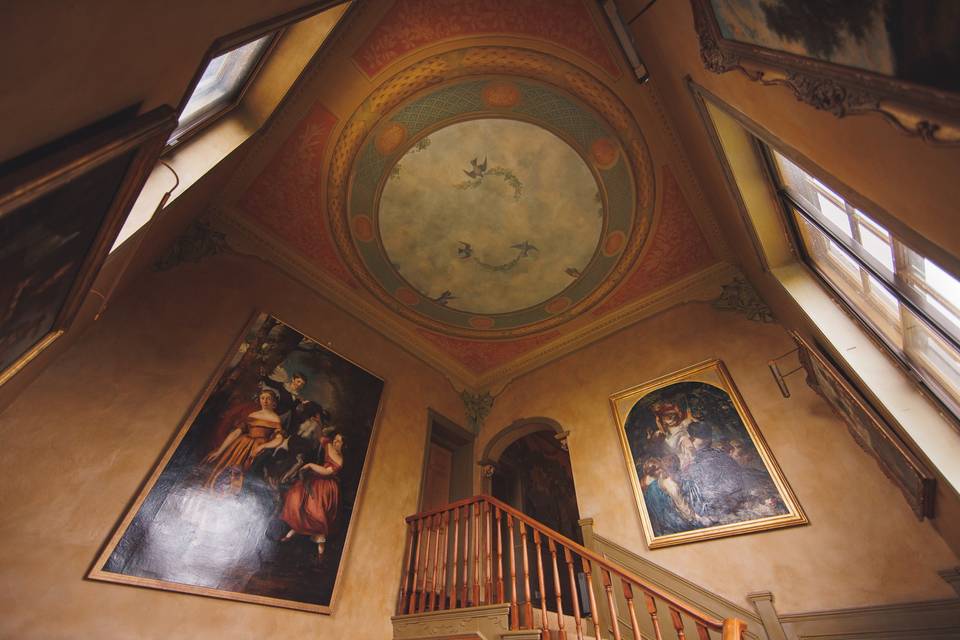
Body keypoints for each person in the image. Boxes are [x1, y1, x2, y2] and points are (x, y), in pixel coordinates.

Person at [202, 388, 285, 494]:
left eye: (268, 399)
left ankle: (230, 495)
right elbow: (236, 433)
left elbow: (279, 439)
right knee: (225, 469)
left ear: (274, 402)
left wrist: (262, 446)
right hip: (240, 445)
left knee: (241, 475)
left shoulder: (275, 419)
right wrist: (220, 451)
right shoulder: (252, 415)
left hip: (256, 450)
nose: (265, 401)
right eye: (262, 398)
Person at [279, 428, 344, 559]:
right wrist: (324, 432)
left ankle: (320, 553)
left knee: (317, 513)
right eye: (335, 440)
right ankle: (291, 533)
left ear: (344, 445)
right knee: (299, 503)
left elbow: (327, 472)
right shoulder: (330, 447)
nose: (336, 442)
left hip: (325, 487)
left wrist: (310, 465)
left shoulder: (340, 459)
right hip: (317, 480)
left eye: (339, 441)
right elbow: (323, 439)